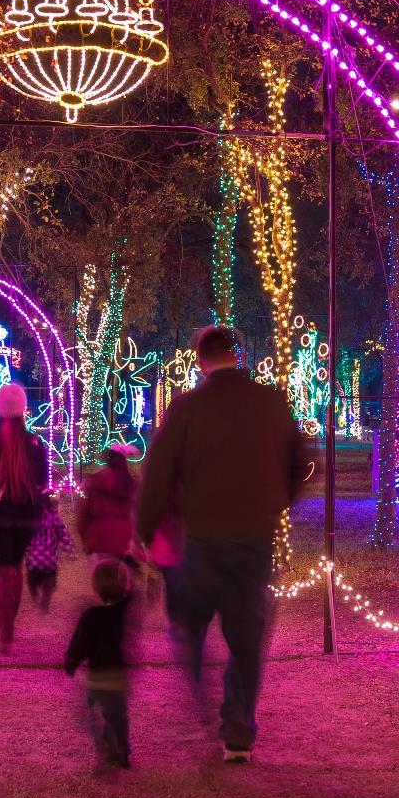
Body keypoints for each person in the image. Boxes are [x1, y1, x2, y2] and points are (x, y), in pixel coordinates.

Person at [136, 324, 313, 763]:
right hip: (254, 539)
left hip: (200, 539)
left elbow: (158, 473)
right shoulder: (271, 403)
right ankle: (238, 731)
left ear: (201, 362)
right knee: (246, 637)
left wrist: (144, 528)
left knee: (189, 623)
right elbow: (303, 462)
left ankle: (198, 688)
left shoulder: (187, 408)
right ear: (241, 357)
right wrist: (276, 503)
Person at [0, 382, 48, 653]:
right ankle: (8, 626)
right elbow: (42, 484)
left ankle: (4, 630)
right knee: (13, 569)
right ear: (23, 409)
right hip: (27, 518)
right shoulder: (36, 444)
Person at [63, 558, 134, 771]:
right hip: (119, 674)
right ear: (125, 586)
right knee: (117, 713)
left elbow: (81, 644)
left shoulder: (91, 616)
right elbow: (132, 595)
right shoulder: (123, 613)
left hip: (98, 675)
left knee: (99, 711)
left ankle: (110, 748)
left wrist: (71, 661)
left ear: (95, 587)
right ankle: (120, 749)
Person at [77, 444, 139, 563]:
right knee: (123, 578)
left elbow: (83, 516)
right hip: (124, 541)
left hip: (100, 540)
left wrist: (85, 539)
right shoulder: (131, 484)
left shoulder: (95, 482)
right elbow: (138, 515)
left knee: (102, 577)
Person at [24, 490, 72, 613]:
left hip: (33, 560)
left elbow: (24, 536)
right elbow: (64, 534)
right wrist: (69, 550)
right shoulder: (54, 517)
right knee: (49, 581)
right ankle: (44, 602)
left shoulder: (30, 517)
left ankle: (34, 595)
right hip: (50, 560)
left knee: (32, 580)